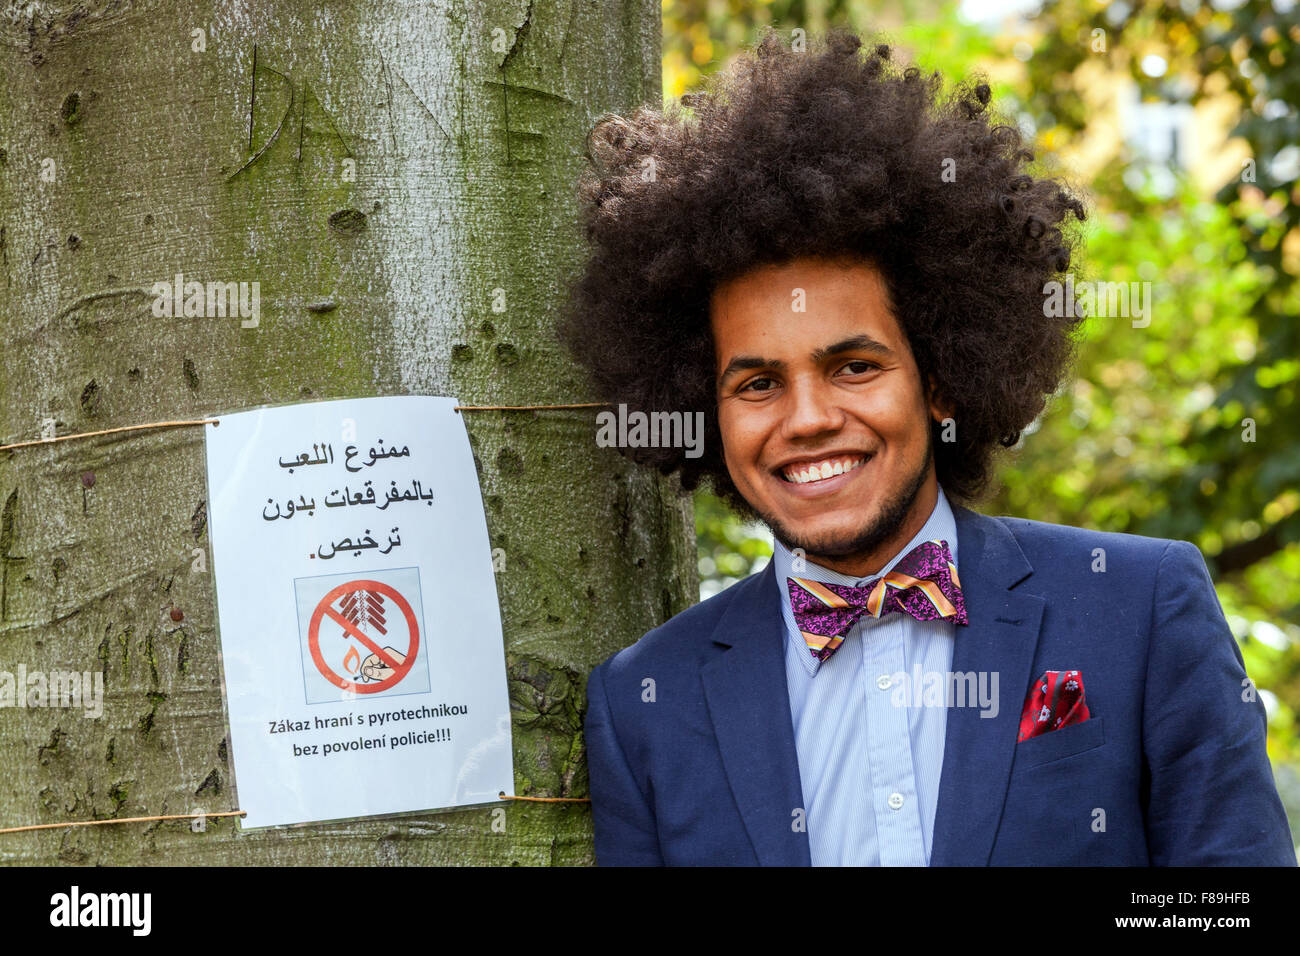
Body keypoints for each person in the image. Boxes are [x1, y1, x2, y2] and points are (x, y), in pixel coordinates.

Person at [560, 28, 1296, 866]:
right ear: (705, 409)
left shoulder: (1141, 609)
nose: (806, 418)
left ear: (941, 378)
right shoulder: (643, 706)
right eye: (757, 384)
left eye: (854, 366)